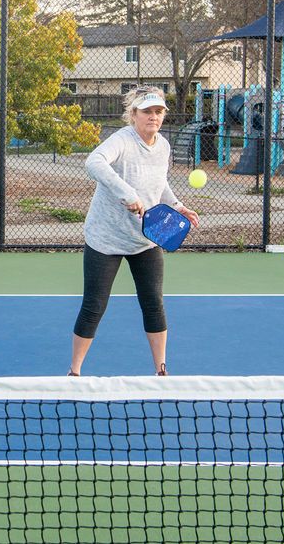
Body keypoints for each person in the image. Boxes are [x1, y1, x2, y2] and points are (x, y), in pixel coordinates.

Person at [69, 86, 199, 377]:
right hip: (106, 238)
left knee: (153, 303)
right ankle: (74, 371)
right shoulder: (122, 141)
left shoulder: (163, 146)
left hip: (145, 239)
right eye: (147, 112)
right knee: (94, 306)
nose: (153, 117)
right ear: (134, 114)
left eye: (158, 112)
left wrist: (177, 206)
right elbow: (94, 162)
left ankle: (161, 369)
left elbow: (158, 182)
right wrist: (126, 193)